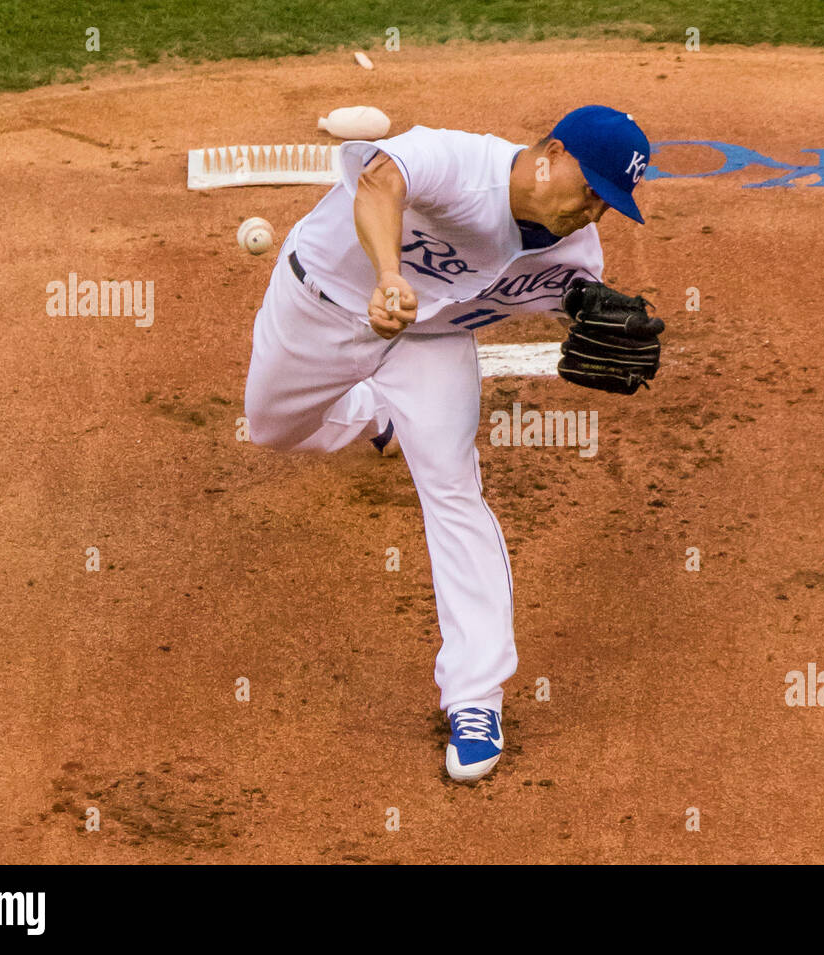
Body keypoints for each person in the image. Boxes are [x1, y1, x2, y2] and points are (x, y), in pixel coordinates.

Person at [243, 105, 651, 782]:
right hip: (319, 307)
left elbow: (580, 296)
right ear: (549, 153)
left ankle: (475, 698)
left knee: (454, 489)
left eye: (608, 205)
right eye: (591, 190)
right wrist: (387, 274)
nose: (592, 213)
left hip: (429, 347)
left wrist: (592, 309)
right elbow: (378, 181)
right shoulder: (463, 164)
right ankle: (375, 410)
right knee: (272, 427)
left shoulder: (574, 253)